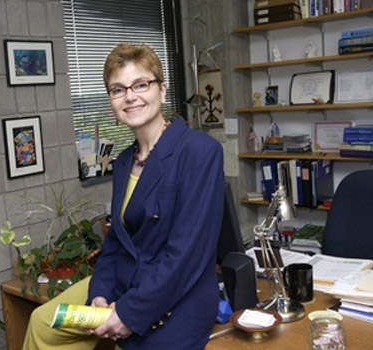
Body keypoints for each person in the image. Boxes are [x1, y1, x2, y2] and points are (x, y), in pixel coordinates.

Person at [23, 43, 225, 350]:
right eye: (118, 90)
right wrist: (99, 296)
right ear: (111, 101)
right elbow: (116, 241)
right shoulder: (122, 162)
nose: (130, 96)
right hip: (123, 281)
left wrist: (129, 314)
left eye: (141, 84)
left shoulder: (200, 152)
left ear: (162, 90)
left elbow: (186, 255)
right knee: (42, 323)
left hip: (177, 294)